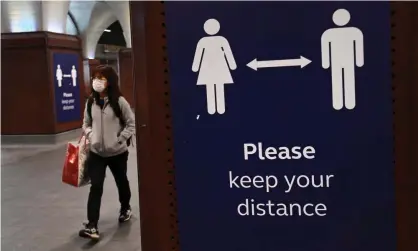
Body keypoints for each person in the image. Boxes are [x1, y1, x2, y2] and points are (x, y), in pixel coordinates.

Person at [79, 65, 136, 240]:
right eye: (95, 77)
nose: (97, 81)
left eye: (101, 78)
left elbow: (131, 124)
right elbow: (86, 123)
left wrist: (119, 139)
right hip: (97, 152)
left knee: (121, 181)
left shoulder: (120, 102)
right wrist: (91, 134)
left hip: (117, 152)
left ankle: (125, 207)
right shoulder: (91, 102)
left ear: (109, 81)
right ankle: (92, 226)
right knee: (96, 187)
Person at [192, 18, 237, 115]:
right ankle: (214, 109)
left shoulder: (218, 40)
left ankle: (217, 108)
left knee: (216, 87)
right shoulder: (208, 41)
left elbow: (228, 52)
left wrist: (195, 67)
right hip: (211, 67)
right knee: (213, 87)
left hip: (215, 67)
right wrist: (232, 65)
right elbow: (198, 54)